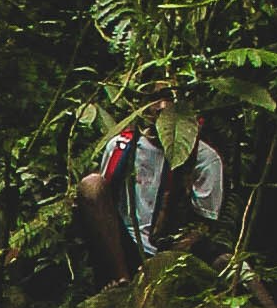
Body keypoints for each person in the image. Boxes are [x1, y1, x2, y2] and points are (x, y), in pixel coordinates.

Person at [76, 101, 226, 286]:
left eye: (170, 100)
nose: (162, 107)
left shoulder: (204, 158)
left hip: (168, 245)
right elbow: (102, 201)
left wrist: (165, 260)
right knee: (91, 184)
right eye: (156, 99)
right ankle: (121, 278)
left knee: (226, 263)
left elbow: (204, 224)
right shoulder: (121, 146)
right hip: (122, 243)